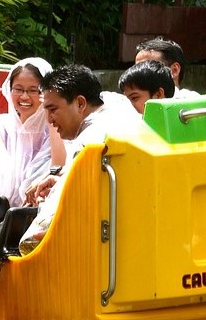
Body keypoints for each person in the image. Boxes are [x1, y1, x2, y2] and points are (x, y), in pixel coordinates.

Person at [18, 64, 131, 255]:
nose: (49, 120)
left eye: (52, 109)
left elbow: (40, 233)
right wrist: (62, 181)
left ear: (80, 103)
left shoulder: (90, 139)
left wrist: (29, 241)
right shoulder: (123, 117)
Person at [0, 57, 65, 211]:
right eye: (18, 89)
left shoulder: (56, 128)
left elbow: (59, 165)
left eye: (33, 90)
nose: (25, 97)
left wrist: (51, 110)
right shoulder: (1, 125)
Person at [134, 37, 200, 99]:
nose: (138, 75)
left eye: (147, 68)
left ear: (174, 70)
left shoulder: (193, 102)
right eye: (137, 69)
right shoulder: (128, 104)